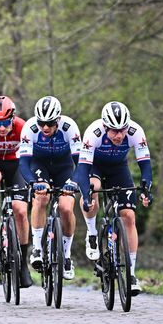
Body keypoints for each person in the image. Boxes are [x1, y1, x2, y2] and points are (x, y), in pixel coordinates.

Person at [68, 101, 152, 295]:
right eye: (114, 131)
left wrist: (147, 188)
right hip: (94, 166)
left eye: (122, 130)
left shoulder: (135, 131)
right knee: (94, 188)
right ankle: (91, 234)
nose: (119, 135)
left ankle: (130, 274)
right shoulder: (93, 133)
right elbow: (82, 169)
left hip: (119, 169)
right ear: (105, 126)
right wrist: (87, 195)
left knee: (129, 216)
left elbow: (145, 165)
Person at [18, 96, 81, 280]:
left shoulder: (70, 128)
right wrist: (32, 183)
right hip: (40, 165)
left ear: (58, 120)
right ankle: (37, 248)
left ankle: (67, 255)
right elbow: (23, 163)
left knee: (66, 207)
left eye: (50, 123)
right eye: (42, 123)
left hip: (64, 166)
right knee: (41, 196)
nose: (45, 127)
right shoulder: (30, 128)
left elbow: (81, 163)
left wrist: (74, 183)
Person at [0, 95, 33, 288]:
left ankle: (23, 263)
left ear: (13, 118)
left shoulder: (22, 127)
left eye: (5, 122)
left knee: (20, 210)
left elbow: (30, 158)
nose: (1, 128)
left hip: (17, 164)